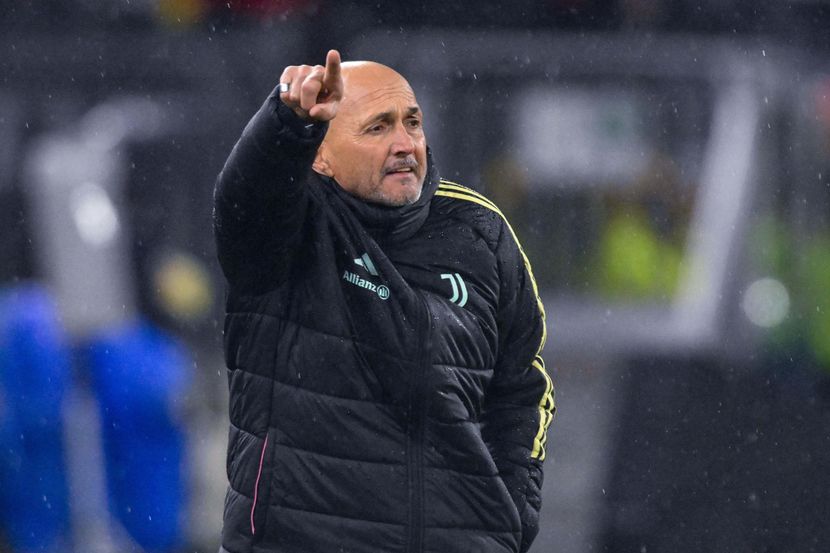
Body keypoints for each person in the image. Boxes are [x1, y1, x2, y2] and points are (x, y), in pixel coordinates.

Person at [213, 49, 554, 553]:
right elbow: (246, 198)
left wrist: (511, 519)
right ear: (320, 156)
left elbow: (521, 388)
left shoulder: (480, 231)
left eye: (411, 123)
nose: (405, 144)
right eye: (377, 128)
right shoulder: (289, 223)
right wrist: (287, 122)